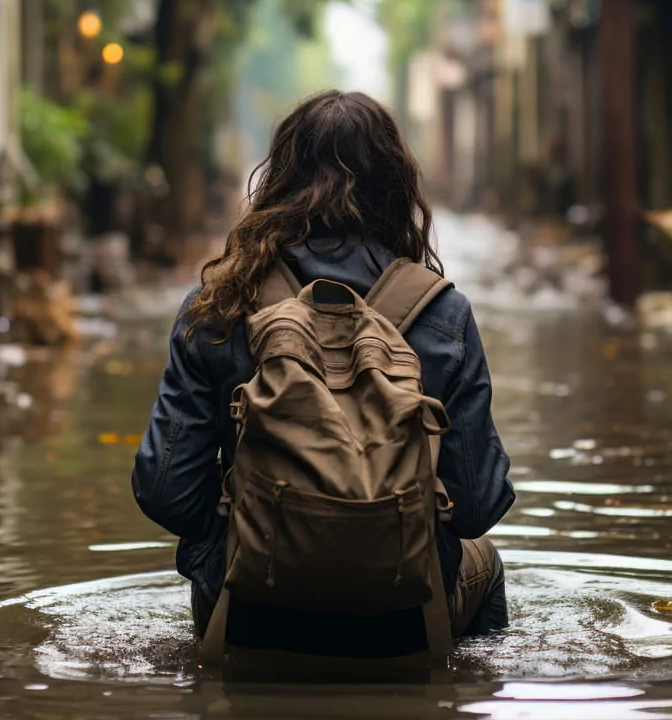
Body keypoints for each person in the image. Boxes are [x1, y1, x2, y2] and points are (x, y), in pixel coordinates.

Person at [132, 90, 515, 658]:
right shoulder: (442, 314)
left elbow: (166, 493)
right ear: (396, 186)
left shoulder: (220, 307)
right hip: (405, 618)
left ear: (279, 181)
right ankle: (447, 700)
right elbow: (478, 504)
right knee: (489, 564)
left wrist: (252, 532)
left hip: (245, 614)